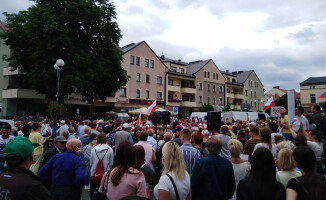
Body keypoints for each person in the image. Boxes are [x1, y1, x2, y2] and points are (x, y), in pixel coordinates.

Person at [90, 132, 114, 197]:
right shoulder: (110, 149)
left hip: (95, 174)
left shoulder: (93, 149)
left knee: (94, 192)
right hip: (106, 174)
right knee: (104, 193)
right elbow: (111, 163)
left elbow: (91, 163)